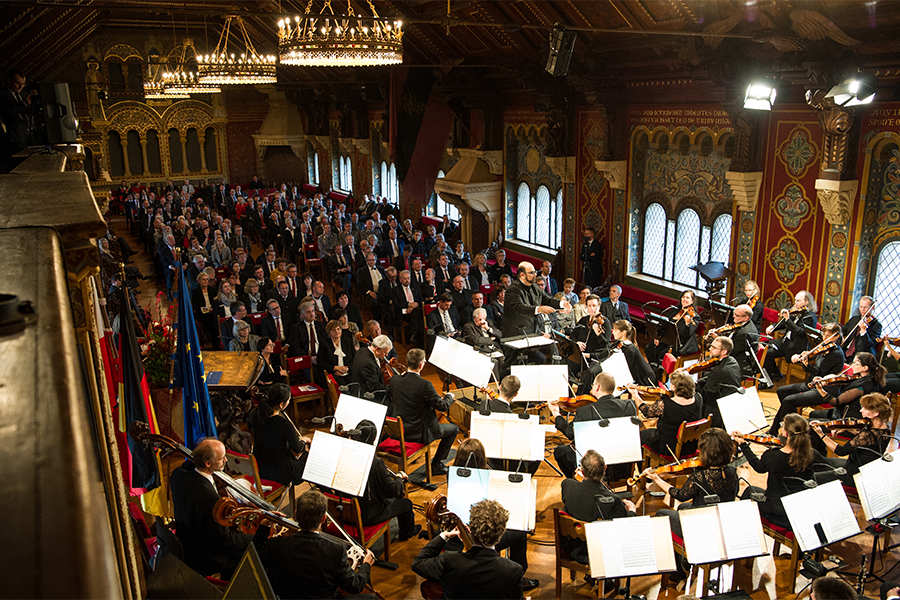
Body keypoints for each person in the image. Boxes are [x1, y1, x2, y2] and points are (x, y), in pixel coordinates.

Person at [445, 438, 539, 591]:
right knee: (520, 534)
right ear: (483, 458)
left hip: (459, 533)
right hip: (480, 536)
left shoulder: (451, 474)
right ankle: (517, 578)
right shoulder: (487, 477)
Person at [255, 488, 377, 600]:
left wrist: (265, 523)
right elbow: (355, 586)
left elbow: (255, 552)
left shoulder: (276, 545)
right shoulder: (335, 551)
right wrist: (366, 564)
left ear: (296, 514)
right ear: (323, 518)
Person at [412, 498, 527, 600]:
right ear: (501, 533)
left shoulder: (450, 561)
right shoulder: (513, 570)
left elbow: (418, 563)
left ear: (471, 527)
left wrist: (444, 536)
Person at [170, 438, 253, 577]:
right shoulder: (212, 501)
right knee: (257, 550)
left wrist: (198, 455)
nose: (226, 460)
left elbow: (187, 465)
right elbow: (225, 540)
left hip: (187, 542)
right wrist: (253, 538)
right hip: (206, 557)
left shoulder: (177, 476)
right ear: (208, 463)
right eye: (221, 459)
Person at [734, 414, 827, 529]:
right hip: (799, 509)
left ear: (786, 433)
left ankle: (740, 529)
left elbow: (759, 467)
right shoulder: (813, 454)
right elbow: (824, 470)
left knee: (749, 491)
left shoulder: (773, 456)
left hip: (776, 510)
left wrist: (743, 445)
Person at [550, 372, 636, 479]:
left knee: (560, 451)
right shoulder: (630, 405)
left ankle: (579, 480)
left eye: (593, 385)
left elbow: (570, 434)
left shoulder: (585, 411)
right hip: (622, 466)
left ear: (597, 387)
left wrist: (556, 414)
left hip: (595, 467)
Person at [348, 420, 422, 541]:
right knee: (406, 504)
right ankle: (407, 533)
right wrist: (398, 478)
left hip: (347, 514)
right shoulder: (375, 463)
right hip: (369, 515)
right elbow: (394, 492)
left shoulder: (346, 455)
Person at [387, 348, 457, 474]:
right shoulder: (425, 385)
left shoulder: (395, 380)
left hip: (401, 430)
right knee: (453, 429)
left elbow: (391, 395)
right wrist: (449, 397)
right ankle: (436, 465)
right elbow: (442, 406)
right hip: (420, 433)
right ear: (421, 365)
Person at [768, 322, 846, 435]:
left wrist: (807, 365)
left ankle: (773, 431)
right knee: (782, 391)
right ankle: (793, 422)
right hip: (812, 383)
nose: (825, 338)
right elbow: (814, 359)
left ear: (836, 336)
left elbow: (820, 372)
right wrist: (803, 355)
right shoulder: (824, 347)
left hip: (824, 389)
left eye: (828, 336)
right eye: (824, 335)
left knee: (788, 400)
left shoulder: (836, 353)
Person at [812, 392, 893, 486]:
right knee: (817, 459)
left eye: (865, 408)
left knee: (813, 478)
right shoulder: (884, 428)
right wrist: (846, 428)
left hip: (852, 474)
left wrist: (820, 434)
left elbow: (840, 451)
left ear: (876, 413)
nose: (861, 411)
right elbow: (864, 440)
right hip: (860, 468)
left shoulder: (868, 435)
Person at [502, 262, 571, 363]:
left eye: (535, 272)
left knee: (547, 352)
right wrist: (539, 309)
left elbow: (547, 300)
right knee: (513, 364)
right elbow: (519, 308)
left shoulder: (534, 287)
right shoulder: (513, 290)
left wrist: (562, 304)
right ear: (522, 274)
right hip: (515, 334)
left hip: (531, 333)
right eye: (532, 273)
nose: (535, 275)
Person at [247, 383, 310, 485]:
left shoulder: (255, 414)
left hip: (260, 466)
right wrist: (304, 440)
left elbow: (249, 425)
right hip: (280, 471)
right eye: (289, 400)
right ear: (281, 404)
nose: (289, 401)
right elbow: (297, 449)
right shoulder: (284, 424)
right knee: (312, 467)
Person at [635, 371, 702, 457]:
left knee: (639, 436)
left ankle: (645, 468)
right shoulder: (698, 397)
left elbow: (647, 412)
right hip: (690, 446)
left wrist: (635, 395)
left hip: (669, 448)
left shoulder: (665, 404)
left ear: (674, 387)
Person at [807, 351, 886, 421]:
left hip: (849, 419)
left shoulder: (862, 387)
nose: (852, 365)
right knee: (813, 414)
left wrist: (820, 390)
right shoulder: (864, 377)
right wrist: (826, 380)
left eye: (856, 364)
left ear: (865, 368)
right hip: (843, 411)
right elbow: (845, 382)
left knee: (810, 423)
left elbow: (836, 402)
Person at [763, 290, 818, 383]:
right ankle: (775, 373)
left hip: (795, 347)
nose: (795, 303)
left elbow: (799, 332)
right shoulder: (797, 312)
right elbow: (784, 323)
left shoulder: (810, 317)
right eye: (795, 300)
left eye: (798, 301)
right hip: (785, 341)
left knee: (768, 353)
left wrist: (788, 319)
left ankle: (768, 381)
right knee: (762, 345)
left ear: (806, 302)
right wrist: (773, 326)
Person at [691, 336, 742, 429]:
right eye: (711, 346)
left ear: (724, 352)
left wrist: (691, 384)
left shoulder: (718, 371)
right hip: (731, 400)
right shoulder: (732, 361)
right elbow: (712, 379)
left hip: (719, 409)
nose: (710, 349)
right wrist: (700, 381)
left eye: (714, 348)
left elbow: (705, 394)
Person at [841, 295, 882, 360]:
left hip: (862, 356)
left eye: (865, 307)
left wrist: (863, 330)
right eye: (861, 307)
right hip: (845, 351)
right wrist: (841, 337)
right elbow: (842, 330)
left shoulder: (876, 325)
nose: (862, 310)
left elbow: (869, 344)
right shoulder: (855, 319)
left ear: (872, 307)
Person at [725, 303, 760, 377]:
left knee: (710, 374)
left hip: (740, 366)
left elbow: (730, 351)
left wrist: (717, 341)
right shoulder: (746, 323)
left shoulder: (744, 333)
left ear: (746, 318)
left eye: (736, 315)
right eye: (734, 313)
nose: (733, 316)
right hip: (736, 358)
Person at [318, 319, 356, 386]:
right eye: (333, 330)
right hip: (333, 374)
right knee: (342, 387)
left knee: (355, 386)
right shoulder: (324, 344)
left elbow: (355, 358)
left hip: (348, 372)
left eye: (338, 329)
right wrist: (335, 368)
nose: (337, 331)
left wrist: (347, 368)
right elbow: (321, 363)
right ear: (329, 332)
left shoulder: (347, 342)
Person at [667, 290, 700, 356]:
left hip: (682, 345)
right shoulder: (675, 310)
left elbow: (686, 335)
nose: (685, 299)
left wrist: (687, 324)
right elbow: (665, 323)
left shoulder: (694, 317)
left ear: (692, 301)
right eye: (683, 297)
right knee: (649, 348)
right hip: (669, 340)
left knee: (661, 353)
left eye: (687, 298)